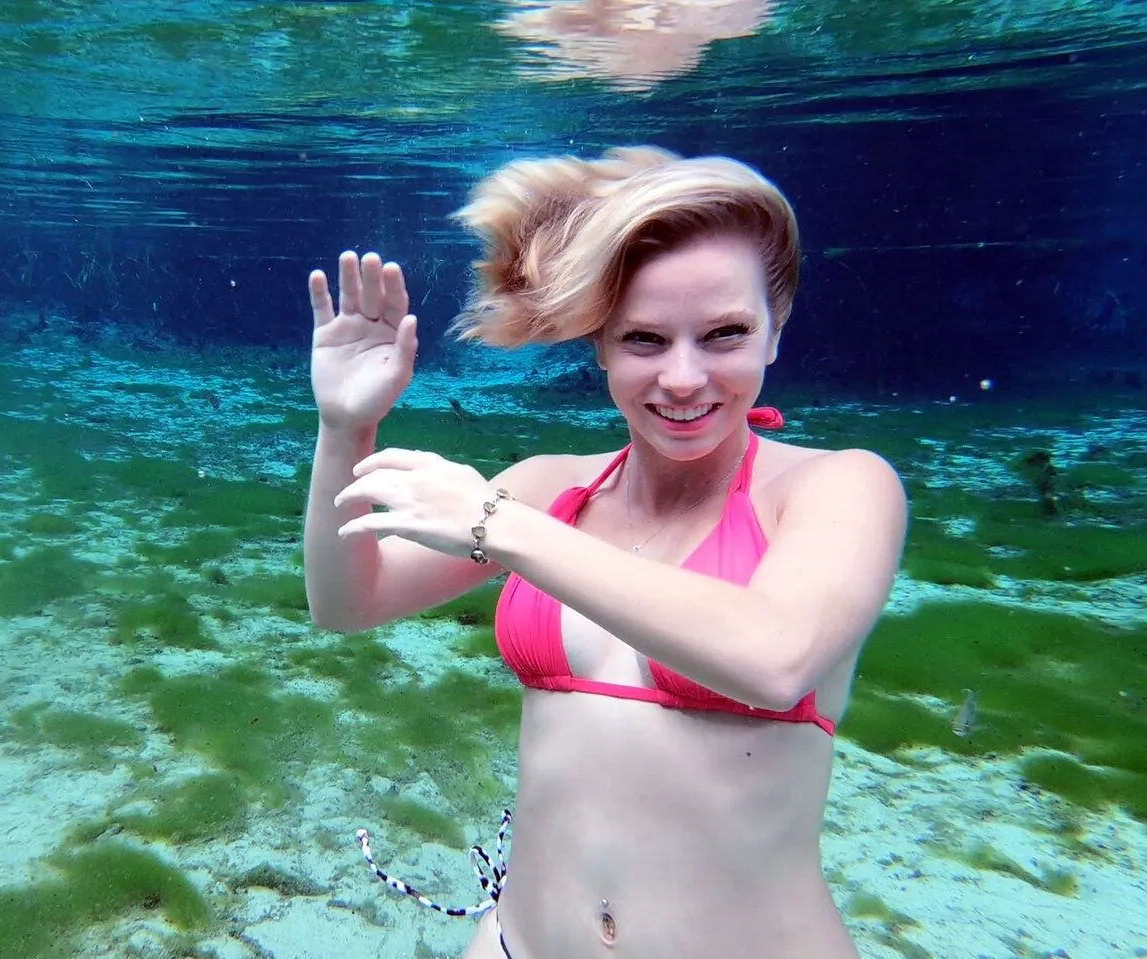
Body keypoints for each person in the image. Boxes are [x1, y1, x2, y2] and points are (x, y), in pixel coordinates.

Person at [301, 146, 908, 959]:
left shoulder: (841, 486)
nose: (684, 377)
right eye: (645, 339)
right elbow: (347, 604)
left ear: (776, 329)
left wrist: (498, 523)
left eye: (725, 334)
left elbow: (775, 657)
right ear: (601, 346)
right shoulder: (552, 486)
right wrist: (345, 427)